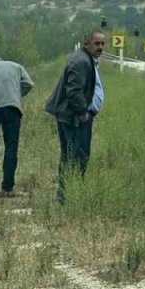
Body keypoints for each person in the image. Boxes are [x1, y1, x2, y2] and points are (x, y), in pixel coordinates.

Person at [44, 30, 105, 202]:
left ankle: (66, 193)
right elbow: (74, 90)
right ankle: (69, 194)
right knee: (77, 156)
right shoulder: (81, 61)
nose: (100, 47)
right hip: (74, 118)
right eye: (97, 43)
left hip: (72, 116)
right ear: (87, 44)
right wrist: (83, 113)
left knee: (70, 155)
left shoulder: (86, 59)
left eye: (102, 43)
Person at [0, 56, 34, 196]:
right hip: (12, 107)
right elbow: (29, 84)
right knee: (11, 147)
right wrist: (16, 95)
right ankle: (7, 187)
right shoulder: (15, 66)